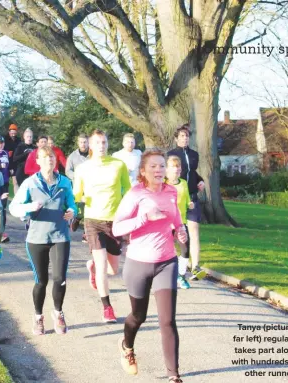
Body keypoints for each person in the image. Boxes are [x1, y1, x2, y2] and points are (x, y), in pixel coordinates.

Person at [112, 150, 187, 382]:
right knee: (138, 316)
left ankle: (173, 375)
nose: (159, 170)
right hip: (138, 263)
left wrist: (180, 230)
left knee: (167, 320)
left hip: (166, 261)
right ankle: (127, 346)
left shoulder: (172, 192)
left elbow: (175, 219)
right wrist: (144, 218)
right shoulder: (136, 195)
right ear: (143, 171)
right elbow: (116, 228)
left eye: (162, 166)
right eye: (153, 166)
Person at [10, 146, 77, 335]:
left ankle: (58, 312)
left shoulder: (64, 182)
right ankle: (38, 317)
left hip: (60, 236)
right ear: (38, 161)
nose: (50, 160)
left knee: (60, 279)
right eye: (45, 157)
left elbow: (71, 203)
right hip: (37, 237)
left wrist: (73, 212)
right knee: (41, 281)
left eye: (52, 157)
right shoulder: (30, 183)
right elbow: (14, 207)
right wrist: (30, 206)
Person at [73, 129, 131, 323]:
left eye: (104, 142)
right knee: (101, 263)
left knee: (113, 270)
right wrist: (77, 204)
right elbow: (76, 195)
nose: (101, 146)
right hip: (93, 220)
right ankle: (107, 307)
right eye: (97, 143)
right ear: (90, 145)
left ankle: (92, 269)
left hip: (115, 221)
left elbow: (128, 192)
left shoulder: (118, 165)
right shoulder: (83, 169)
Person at [167, 125, 207, 280]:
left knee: (194, 230)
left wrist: (201, 181)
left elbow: (193, 173)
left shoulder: (194, 154)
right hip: (175, 199)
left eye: (187, 136)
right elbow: (169, 173)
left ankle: (195, 266)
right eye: (182, 136)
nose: (185, 138)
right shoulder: (171, 154)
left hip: (191, 197)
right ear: (176, 139)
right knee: (173, 234)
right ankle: (173, 265)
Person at [166, 155, 197, 289]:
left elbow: (187, 199)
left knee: (185, 250)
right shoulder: (163, 184)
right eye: (173, 166)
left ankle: (181, 275)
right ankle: (162, 277)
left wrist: (190, 204)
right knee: (166, 251)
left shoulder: (183, 183)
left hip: (181, 222)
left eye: (178, 166)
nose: (177, 169)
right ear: (167, 169)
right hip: (165, 224)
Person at [65, 133, 90, 242]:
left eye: (85, 142)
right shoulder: (73, 156)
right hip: (79, 186)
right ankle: (77, 218)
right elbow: (67, 170)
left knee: (90, 209)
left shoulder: (94, 154)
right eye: (81, 142)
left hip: (91, 185)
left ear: (88, 142)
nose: (83, 144)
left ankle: (86, 234)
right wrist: (76, 176)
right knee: (81, 209)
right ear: (78, 143)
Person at [4, 123, 20, 191]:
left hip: (14, 163)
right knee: (5, 183)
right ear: (9, 132)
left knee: (15, 182)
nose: (13, 135)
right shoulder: (5, 139)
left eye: (14, 133)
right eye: (12, 133)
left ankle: (16, 199)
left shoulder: (18, 140)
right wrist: (7, 152)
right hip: (6, 162)